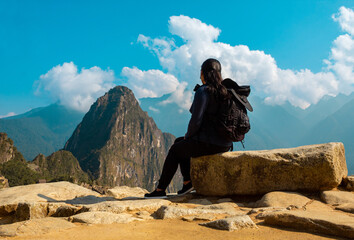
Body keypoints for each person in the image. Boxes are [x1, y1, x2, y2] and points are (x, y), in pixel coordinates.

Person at [144, 58, 232, 198]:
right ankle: (187, 182)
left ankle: (160, 190)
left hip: (210, 143)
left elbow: (196, 121)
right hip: (225, 143)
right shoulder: (225, 91)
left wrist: (189, 135)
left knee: (175, 150)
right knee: (180, 142)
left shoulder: (203, 91)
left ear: (203, 73)